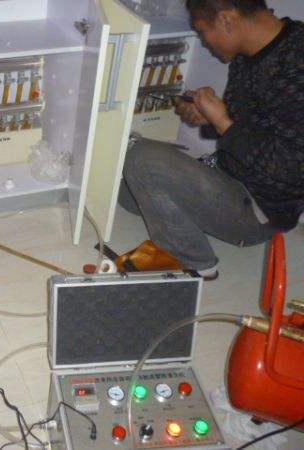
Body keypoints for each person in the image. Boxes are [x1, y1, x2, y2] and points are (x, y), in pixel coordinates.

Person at [119, 0, 304, 280]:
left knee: (141, 160)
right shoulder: (247, 52)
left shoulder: (295, 64)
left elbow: (290, 168)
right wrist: (208, 117)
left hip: (261, 209)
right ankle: (188, 223)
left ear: (227, 20)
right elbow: (253, 125)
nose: (204, 41)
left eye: (202, 30)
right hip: (229, 172)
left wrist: (223, 122)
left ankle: (194, 262)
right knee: (125, 192)